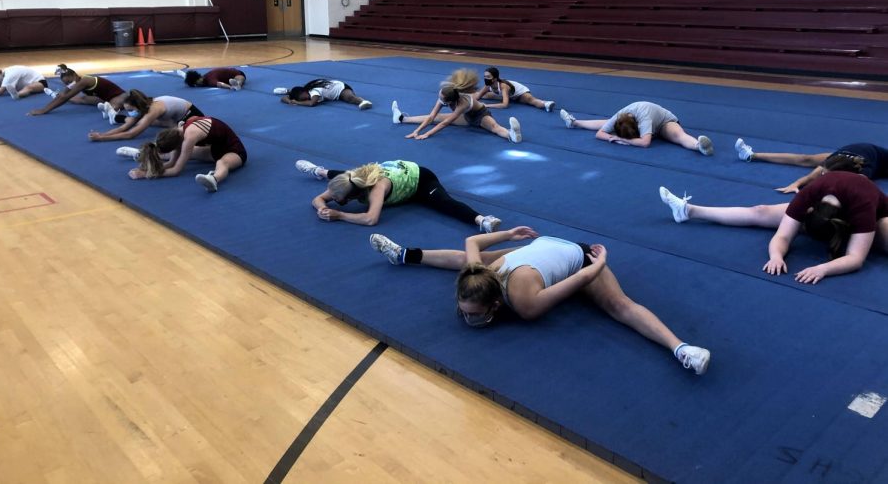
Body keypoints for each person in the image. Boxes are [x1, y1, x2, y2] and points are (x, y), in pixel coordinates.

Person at [369, 226, 711, 375]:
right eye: (465, 310)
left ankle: (681, 348)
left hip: (578, 256)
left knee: (619, 306)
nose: (466, 316)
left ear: (496, 306)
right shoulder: (476, 274)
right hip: (535, 247)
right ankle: (404, 255)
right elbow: (472, 241)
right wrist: (508, 234)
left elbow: (579, 281)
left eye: (473, 313)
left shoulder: (525, 304)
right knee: (463, 257)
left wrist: (601, 263)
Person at [659, 170, 888, 284]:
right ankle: (689, 211)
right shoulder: (809, 195)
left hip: (879, 214)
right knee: (760, 211)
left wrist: (823, 269)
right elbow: (783, 236)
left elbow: (855, 258)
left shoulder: (862, 206)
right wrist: (776, 256)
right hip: (832, 209)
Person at [296, 158, 502, 232]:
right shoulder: (348, 180)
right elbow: (318, 199)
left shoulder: (377, 188)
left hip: (419, 180)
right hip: (386, 176)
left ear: (351, 196)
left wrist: (340, 215)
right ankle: (319, 171)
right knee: (340, 173)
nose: (337, 202)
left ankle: (482, 220)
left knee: (444, 202)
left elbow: (370, 219)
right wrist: (321, 208)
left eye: (339, 201)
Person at [391, 68, 522, 143]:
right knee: (437, 117)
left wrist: (427, 134)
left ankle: (511, 135)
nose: (439, 99)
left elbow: (445, 124)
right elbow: (431, 117)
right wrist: (417, 131)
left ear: (449, 102)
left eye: (442, 99)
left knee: (494, 127)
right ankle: (402, 119)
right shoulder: (445, 95)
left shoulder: (463, 103)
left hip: (479, 115)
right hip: (466, 117)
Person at [128, 116, 247, 192]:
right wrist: (150, 168)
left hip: (234, 151)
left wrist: (146, 174)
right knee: (177, 156)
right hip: (213, 150)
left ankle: (214, 179)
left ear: (176, 145)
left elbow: (176, 171)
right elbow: (171, 163)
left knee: (222, 162)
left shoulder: (189, 137)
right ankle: (143, 154)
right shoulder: (177, 133)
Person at [559, 101, 713, 155]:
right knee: (605, 123)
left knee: (678, 135)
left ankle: (698, 146)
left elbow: (645, 143)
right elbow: (600, 134)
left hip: (663, 123)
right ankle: (575, 122)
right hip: (640, 126)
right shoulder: (619, 115)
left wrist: (620, 139)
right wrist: (613, 137)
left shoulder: (644, 118)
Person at [735, 139, 888, 193]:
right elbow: (809, 178)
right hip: (851, 152)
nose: (822, 176)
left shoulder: (863, 170)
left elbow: (863, 189)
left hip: (881, 158)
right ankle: (751, 155)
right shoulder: (832, 161)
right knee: (806, 159)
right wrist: (796, 184)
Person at [87, 90, 203, 142]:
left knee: (175, 135)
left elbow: (131, 134)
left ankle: (176, 126)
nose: (129, 112)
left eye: (130, 110)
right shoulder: (142, 106)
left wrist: (102, 138)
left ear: (137, 106)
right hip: (175, 117)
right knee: (142, 121)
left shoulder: (153, 110)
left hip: (193, 116)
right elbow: (124, 128)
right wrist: (101, 134)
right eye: (127, 110)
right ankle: (114, 117)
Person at [28, 64, 127, 117]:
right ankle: (54, 95)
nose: (68, 84)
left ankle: (111, 112)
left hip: (119, 96)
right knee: (81, 99)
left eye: (69, 81)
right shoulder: (75, 82)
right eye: (66, 83)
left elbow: (65, 97)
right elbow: (64, 95)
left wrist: (44, 110)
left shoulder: (84, 81)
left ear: (75, 75)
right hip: (103, 98)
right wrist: (62, 92)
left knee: (115, 105)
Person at [473, 67, 555, 112]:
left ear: (495, 78)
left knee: (531, 100)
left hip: (520, 94)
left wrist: (487, 105)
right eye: (484, 76)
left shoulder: (503, 86)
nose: (485, 78)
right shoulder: (487, 86)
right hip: (508, 95)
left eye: (488, 77)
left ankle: (546, 104)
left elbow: (505, 105)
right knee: (484, 95)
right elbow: (478, 97)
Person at [274, 78, 372, 110]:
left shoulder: (314, 92)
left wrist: (296, 103)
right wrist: (290, 100)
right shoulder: (306, 89)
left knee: (350, 98)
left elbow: (311, 103)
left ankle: (363, 101)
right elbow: (284, 99)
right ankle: (287, 90)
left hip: (341, 89)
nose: (304, 100)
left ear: (304, 92)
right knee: (293, 93)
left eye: (303, 98)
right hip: (332, 87)